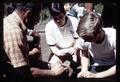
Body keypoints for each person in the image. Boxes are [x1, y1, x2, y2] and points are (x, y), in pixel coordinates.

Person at [3, 3, 67, 80]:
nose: (37, 21)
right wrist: (53, 72)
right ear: (28, 14)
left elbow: (26, 60)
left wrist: (50, 65)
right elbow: (23, 72)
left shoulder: (12, 21)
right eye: (37, 16)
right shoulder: (14, 32)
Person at [45, 2, 81, 78]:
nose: (58, 21)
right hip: (59, 51)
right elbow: (53, 47)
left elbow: (79, 39)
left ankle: (72, 69)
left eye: (60, 17)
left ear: (64, 13)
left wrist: (75, 48)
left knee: (77, 64)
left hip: (74, 49)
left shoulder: (74, 21)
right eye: (55, 18)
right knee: (53, 66)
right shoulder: (49, 27)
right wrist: (60, 53)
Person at [76, 12, 116, 78]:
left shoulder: (113, 36)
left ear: (99, 31)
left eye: (88, 38)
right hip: (97, 65)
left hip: (113, 66)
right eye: (84, 38)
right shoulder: (84, 36)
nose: (85, 40)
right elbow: (84, 55)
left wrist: (96, 75)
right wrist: (84, 70)